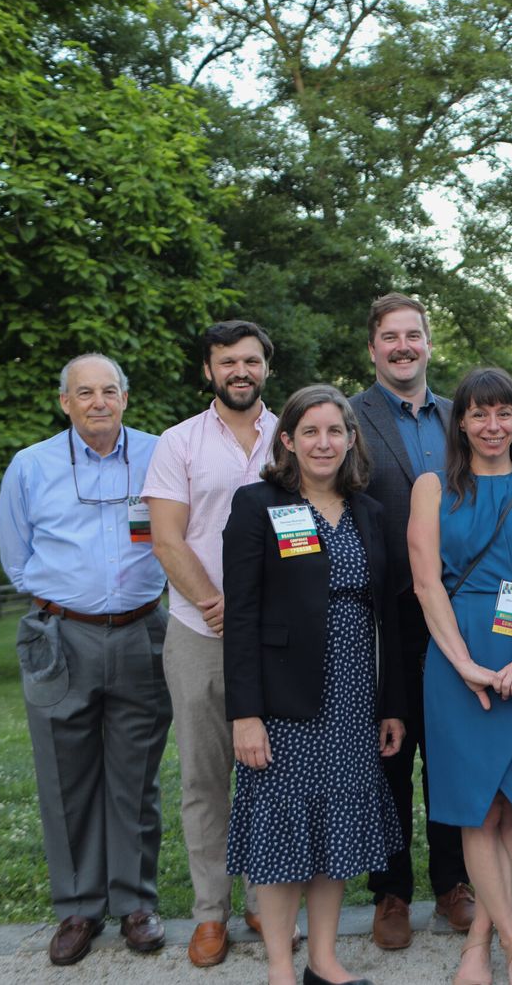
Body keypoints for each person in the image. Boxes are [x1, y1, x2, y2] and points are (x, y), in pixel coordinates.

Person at [222, 384, 405, 985]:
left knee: (337, 831)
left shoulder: (368, 513)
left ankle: (324, 963)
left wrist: (390, 706)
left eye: (334, 431)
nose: (323, 442)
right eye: (310, 432)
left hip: (354, 698)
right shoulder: (258, 505)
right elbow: (241, 617)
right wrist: (244, 714)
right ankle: (280, 968)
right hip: (284, 702)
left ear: (351, 439)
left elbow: (390, 614)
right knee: (284, 835)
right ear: (288, 441)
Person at [0, 353, 172, 966]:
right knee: (64, 778)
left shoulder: (160, 454)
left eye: (109, 391)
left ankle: (135, 904)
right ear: (64, 402)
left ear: (126, 397)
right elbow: (17, 556)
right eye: (84, 393)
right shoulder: (31, 466)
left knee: (135, 777)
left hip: (142, 631)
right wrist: (69, 597)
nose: (98, 402)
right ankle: (77, 908)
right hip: (60, 635)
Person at [408, 367, 512, 985]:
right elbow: (427, 585)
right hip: (460, 655)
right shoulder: (432, 487)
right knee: (477, 809)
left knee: (509, 806)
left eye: (503, 413)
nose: (492, 425)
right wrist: (465, 665)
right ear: (460, 423)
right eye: (478, 414)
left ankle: (477, 942)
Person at [142, 321, 278, 966]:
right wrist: (216, 606)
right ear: (209, 371)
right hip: (201, 633)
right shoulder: (178, 443)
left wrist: (259, 616)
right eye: (228, 362)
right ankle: (209, 914)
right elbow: (168, 537)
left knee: (270, 771)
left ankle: (266, 900)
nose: (240, 371)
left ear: (265, 370)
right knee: (205, 777)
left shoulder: (293, 435)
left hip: (278, 638)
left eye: (251, 360)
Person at [349, 293, 474, 945]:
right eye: (390, 337)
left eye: (413, 335)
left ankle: (454, 882)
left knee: (450, 751)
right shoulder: (346, 419)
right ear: (372, 348)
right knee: (389, 754)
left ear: (428, 343)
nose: (403, 346)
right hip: (384, 615)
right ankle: (392, 890)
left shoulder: (463, 417)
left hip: (458, 611)